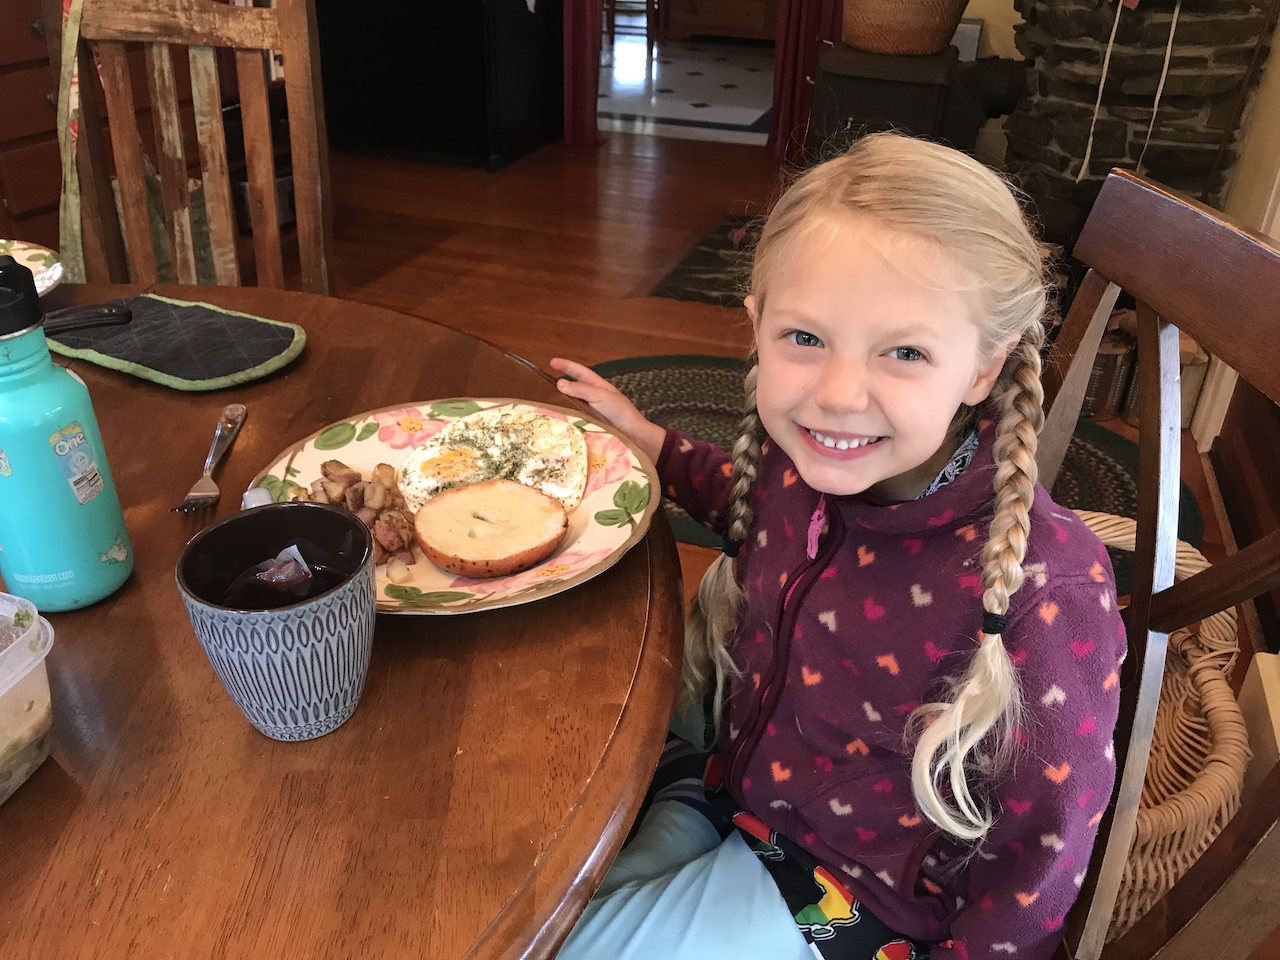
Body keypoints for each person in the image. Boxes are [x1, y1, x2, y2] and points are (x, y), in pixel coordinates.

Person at [550, 132, 1125, 960]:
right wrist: (655, 445)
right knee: (529, 892)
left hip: (855, 890)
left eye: (905, 352)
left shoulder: (1044, 589)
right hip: (728, 782)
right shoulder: (805, 463)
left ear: (983, 369)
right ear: (757, 326)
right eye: (805, 338)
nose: (839, 395)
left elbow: (1045, 852)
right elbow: (747, 501)